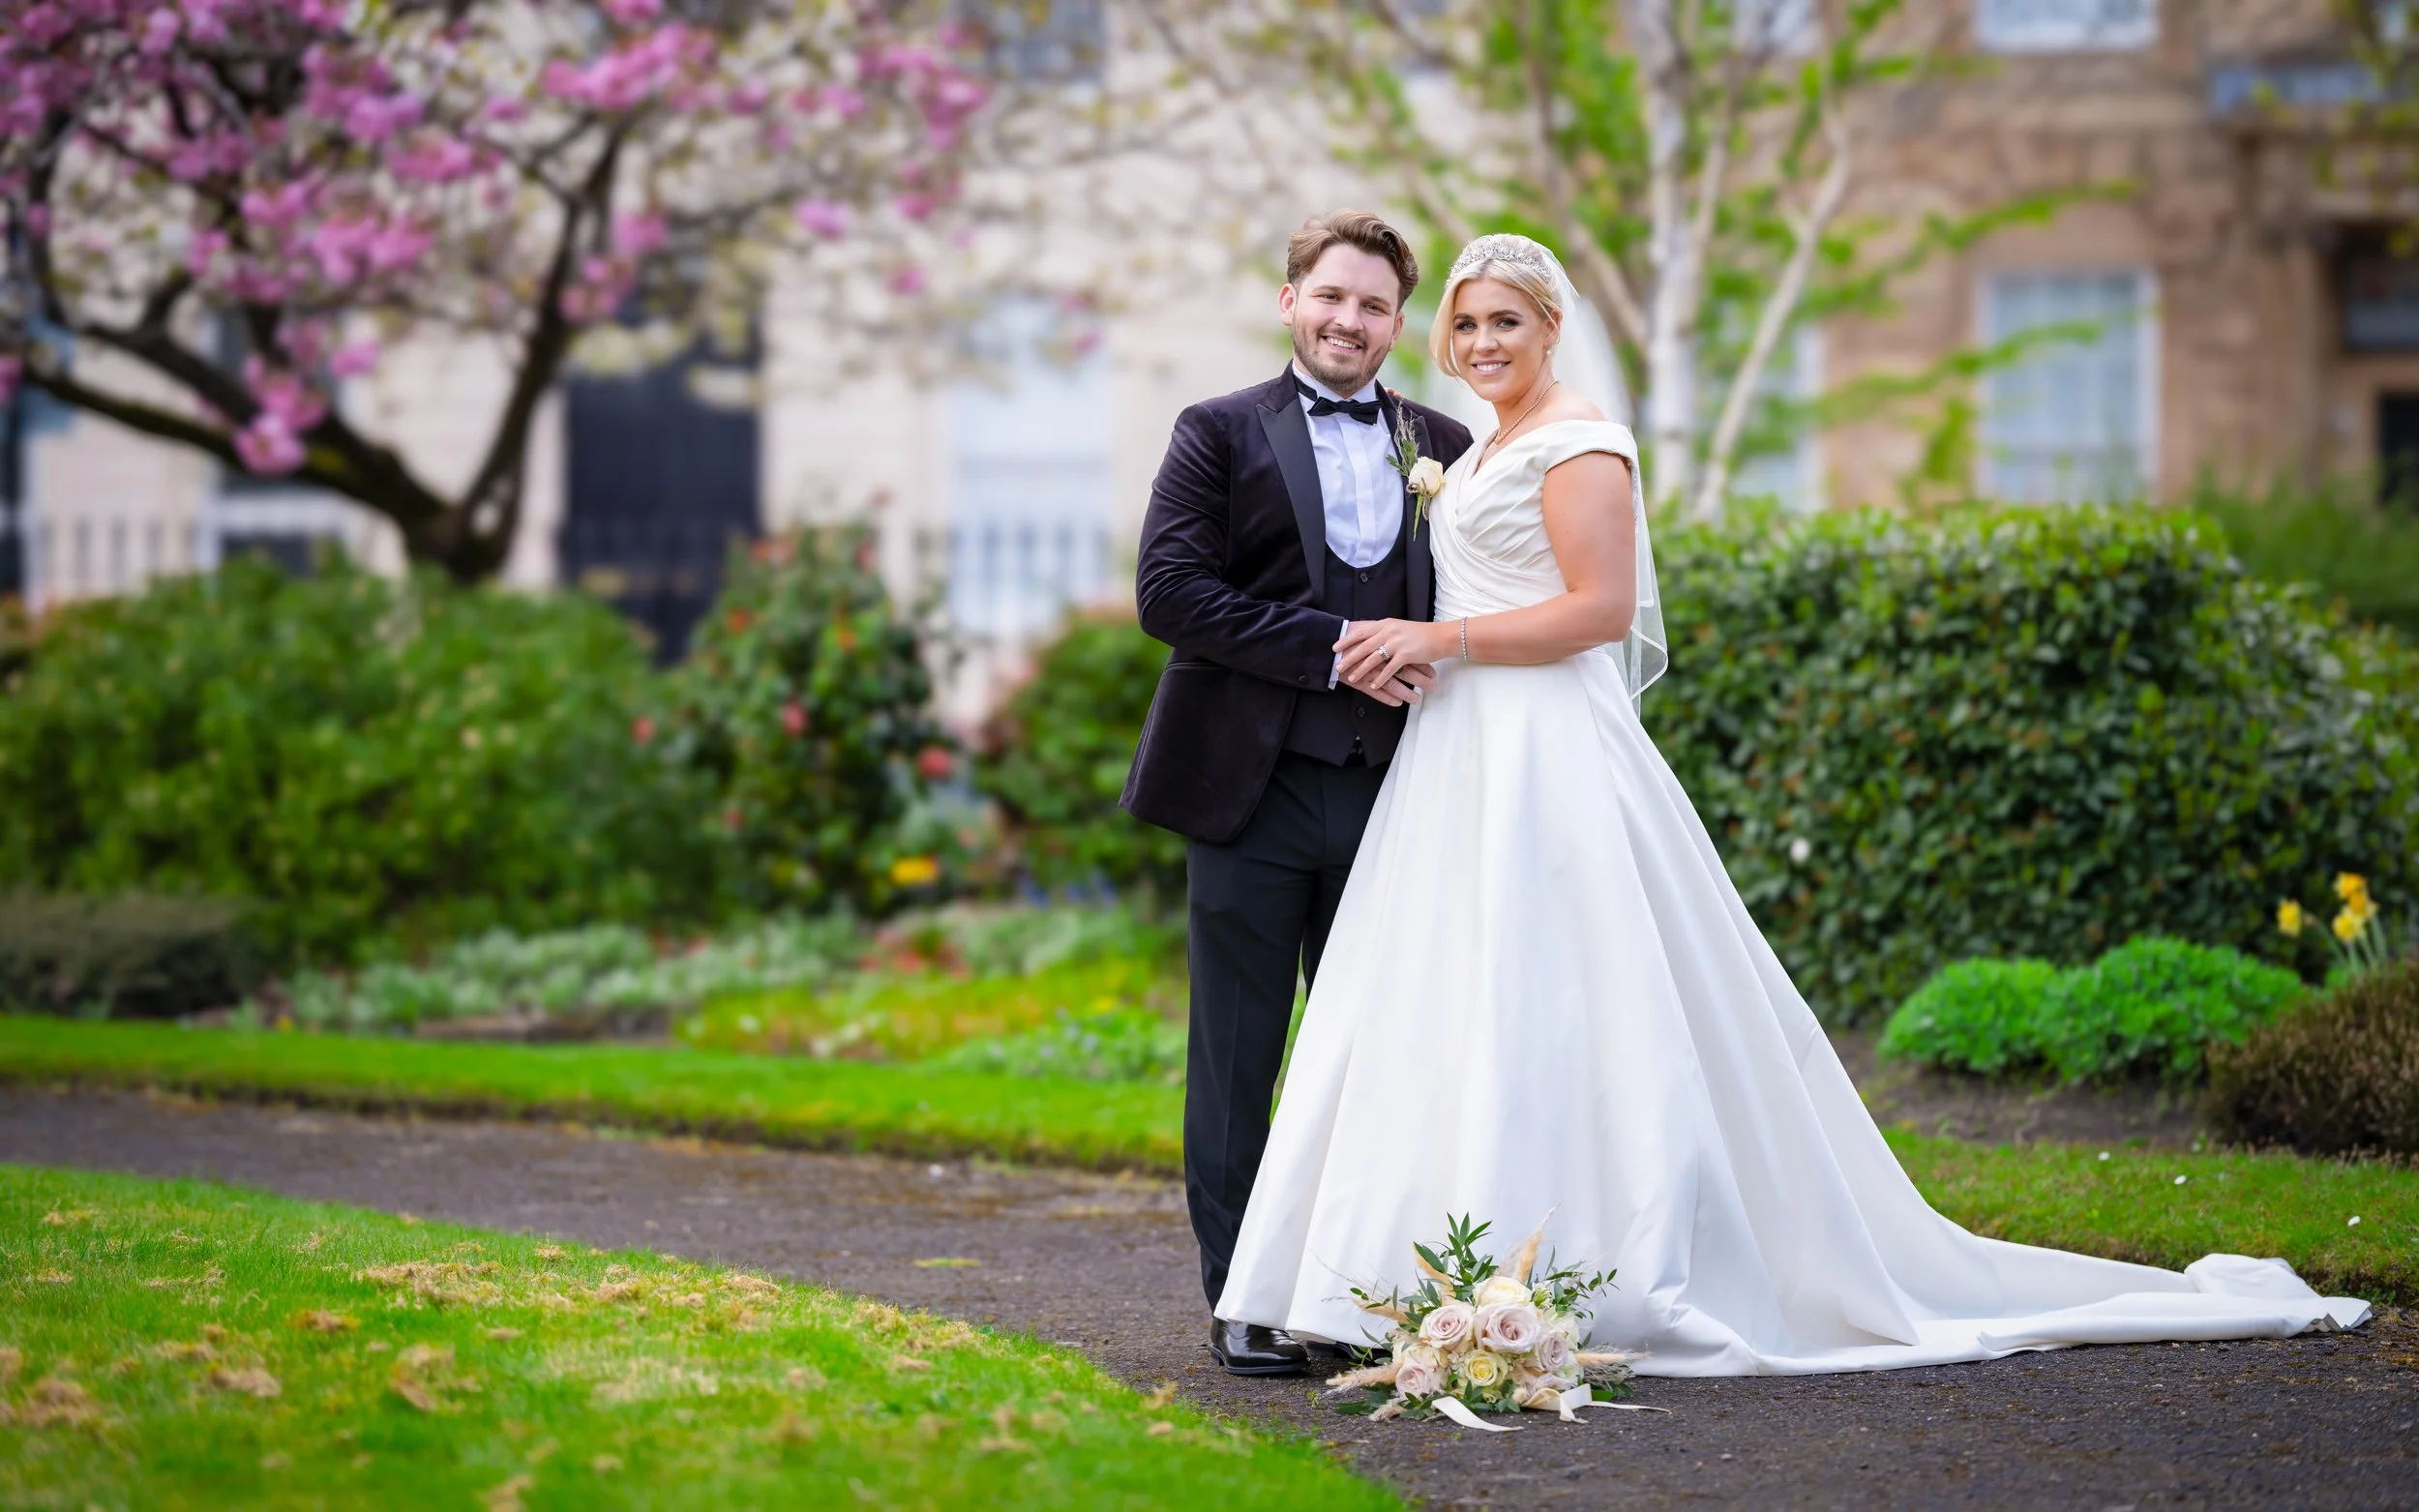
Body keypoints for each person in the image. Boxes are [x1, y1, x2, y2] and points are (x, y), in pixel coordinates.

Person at [1210, 231, 2371, 1376]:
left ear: (1552, 328)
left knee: (1568, 997)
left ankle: (1594, 1260)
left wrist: (1439, 637)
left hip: (1544, 748)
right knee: (1456, 1004)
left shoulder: (1581, 441)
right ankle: (1413, 1267)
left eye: (1503, 319)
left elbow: (1601, 609)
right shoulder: (1461, 450)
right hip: (1453, 755)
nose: (1479, 340)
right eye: (1463, 322)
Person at [1121, 210, 1475, 1376]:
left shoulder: (1445, 444)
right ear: (1291, 301)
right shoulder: (1217, 432)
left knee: (1370, 1061)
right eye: (1331, 297)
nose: (1350, 321)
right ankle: (1242, 1298)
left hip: (1393, 795)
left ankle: (1345, 1295)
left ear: (1396, 322)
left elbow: (1474, 604)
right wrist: (1336, 644)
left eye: (1374, 305)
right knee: (1238, 1056)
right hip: (1248, 793)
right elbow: (1170, 593)